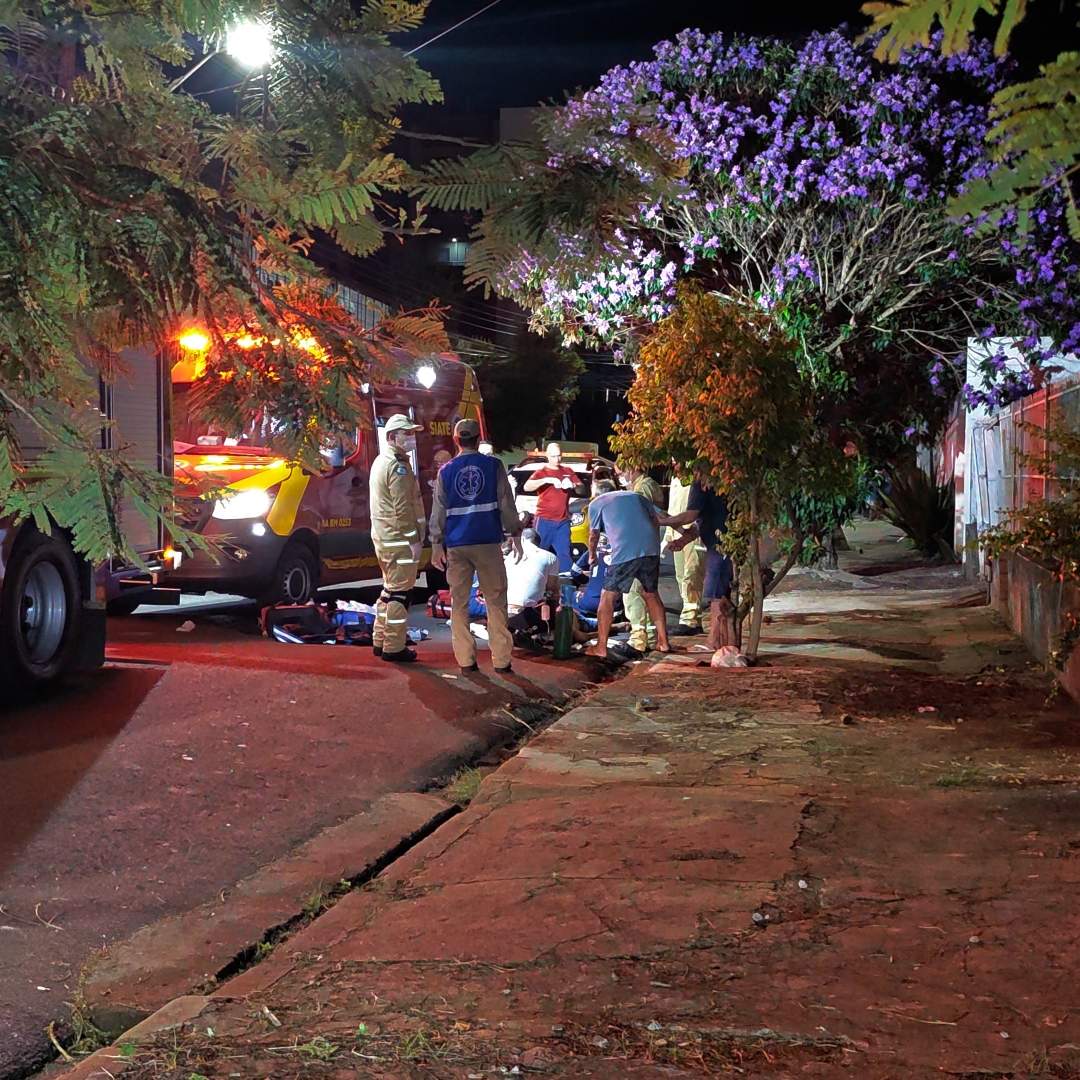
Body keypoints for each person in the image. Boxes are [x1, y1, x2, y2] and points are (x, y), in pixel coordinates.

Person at [430, 419, 523, 673]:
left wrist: (436, 544)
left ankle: (466, 660)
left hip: (458, 545)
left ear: (456, 439)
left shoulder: (446, 471)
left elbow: (438, 510)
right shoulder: (494, 466)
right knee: (495, 601)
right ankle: (502, 661)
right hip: (487, 543)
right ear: (478, 438)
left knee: (459, 604)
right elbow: (506, 504)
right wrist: (515, 533)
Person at [585, 479, 694, 660]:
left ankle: (601, 647)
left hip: (625, 552)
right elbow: (664, 518)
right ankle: (663, 642)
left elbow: (593, 534)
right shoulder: (636, 496)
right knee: (650, 593)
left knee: (607, 597)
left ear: (596, 492)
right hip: (651, 549)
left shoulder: (597, 503)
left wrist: (592, 556)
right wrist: (686, 533)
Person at [369, 413, 426, 663]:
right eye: (408, 433)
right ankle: (394, 646)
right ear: (393, 437)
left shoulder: (383, 461)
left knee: (389, 591)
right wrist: (414, 539)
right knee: (401, 594)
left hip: (385, 537)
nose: (412, 438)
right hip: (399, 539)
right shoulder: (397, 466)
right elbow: (402, 508)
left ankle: (380, 640)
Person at [670, 478, 735, 650]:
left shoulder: (701, 482)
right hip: (720, 542)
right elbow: (702, 522)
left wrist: (662, 521)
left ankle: (715, 640)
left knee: (717, 595)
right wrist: (683, 540)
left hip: (719, 545)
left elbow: (691, 516)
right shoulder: (716, 484)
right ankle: (723, 641)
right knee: (721, 593)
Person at [618, 462, 665, 653]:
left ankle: (637, 640)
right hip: (646, 547)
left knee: (632, 593)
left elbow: (637, 515)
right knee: (647, 593)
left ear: (630, 469)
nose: (620, 478)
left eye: (621, 473)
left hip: (636, 548)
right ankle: (651, 637)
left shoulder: (642, 488)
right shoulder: (647, 485)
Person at [523, 442, 586, 572]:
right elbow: (527, 486)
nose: (557, 459)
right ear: (547, 455)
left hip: (563, 521)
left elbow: (582, 489)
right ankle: (537, 581)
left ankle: (565, 584)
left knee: (564, 555)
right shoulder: (542, 472)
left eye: (559, 456)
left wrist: (574, 485)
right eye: (553, 456)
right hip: (544, 519)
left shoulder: (567, 471)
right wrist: (546, 480)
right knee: (539, 553)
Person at [665, 472, 709, 636]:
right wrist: (669, 534)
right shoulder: (676, 480)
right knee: (681, 576)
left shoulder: (696, 479)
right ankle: (693, 620)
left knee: (692, 576)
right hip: (677, 534)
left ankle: (689, 620)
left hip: (694, 534)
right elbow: (673, 507)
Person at [505, 527, 560, 615]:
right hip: (528, 612)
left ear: (522, 539)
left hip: (504, 609)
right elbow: (552, 588)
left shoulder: (509, 557)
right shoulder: (550, 557)